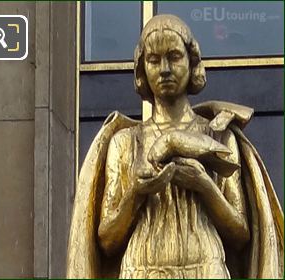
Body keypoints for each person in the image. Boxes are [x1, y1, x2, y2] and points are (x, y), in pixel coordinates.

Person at [67, 15, 283, 279]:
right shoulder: (123, 143)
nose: (165, 69)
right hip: (142, 269)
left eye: (174, 56)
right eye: (154, 60)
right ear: (142, 69)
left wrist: (203, 184)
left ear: (192, 62)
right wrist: (136, 192)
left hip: (205, 268)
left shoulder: (218, 137)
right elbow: (107, 240)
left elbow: (240, 234)